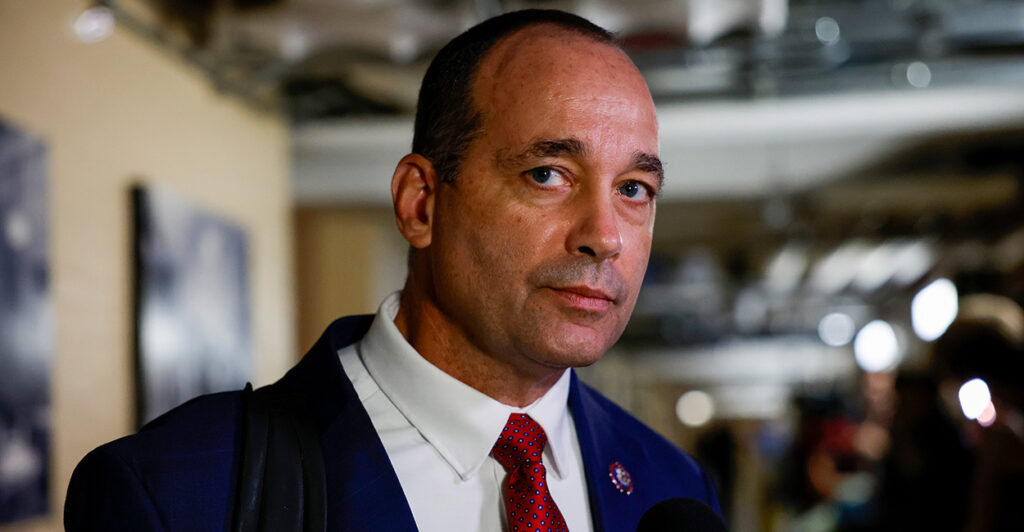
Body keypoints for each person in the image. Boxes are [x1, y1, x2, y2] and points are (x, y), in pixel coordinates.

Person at [65, 9, 720, 531]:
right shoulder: (177, 495)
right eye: (547, 174)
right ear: (421, 203)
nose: (605, 236)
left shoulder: (672, 487)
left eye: (634, 189)